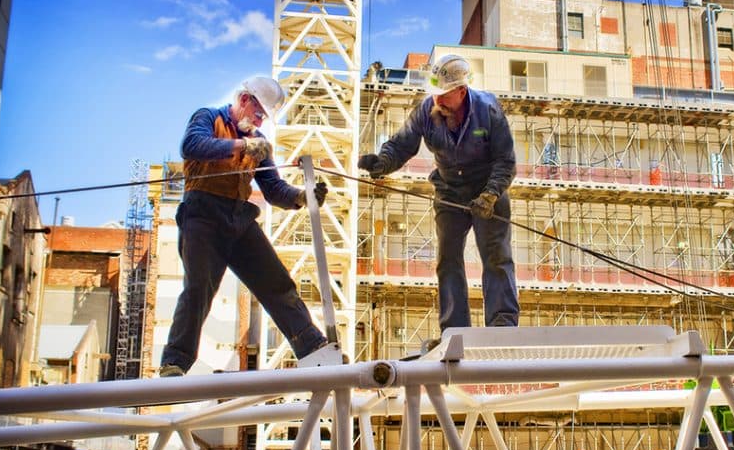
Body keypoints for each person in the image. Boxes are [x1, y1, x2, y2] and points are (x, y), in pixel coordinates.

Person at [159, 76, 341, 377]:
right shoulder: (208, 117)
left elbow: (273, 189)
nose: (259, 121)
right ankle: (174, 362)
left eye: (263, 117)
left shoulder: (259, 145)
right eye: (257, 114)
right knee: (198, 289)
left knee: (277, 283)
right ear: (244, 100)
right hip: (202, 214)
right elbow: (192, 146)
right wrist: (242, 144)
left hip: (239, 218)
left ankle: (312, 347)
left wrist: (301, 197)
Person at [358, 54, 520, 339]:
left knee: (496, 255)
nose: (437, 101)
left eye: (444, 95)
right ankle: (454, 330)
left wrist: (491, 195)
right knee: (448, 259)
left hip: (488, 190)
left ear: (461, 90)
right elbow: (401, 144)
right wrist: (382, 163)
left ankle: (502, 326)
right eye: (434, 94)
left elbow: (505, 161)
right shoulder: (427, 109)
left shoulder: (488, 110)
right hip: (449, 191)